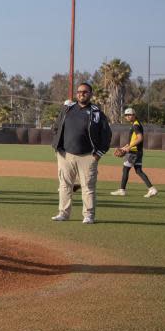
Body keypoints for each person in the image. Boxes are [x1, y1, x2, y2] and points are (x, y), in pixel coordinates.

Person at [50, 82, 112, 224]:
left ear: (90, 94)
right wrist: (57, 147)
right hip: (65, 155)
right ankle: (63, 213)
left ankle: (88, 215)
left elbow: (106, 135)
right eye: (79, 92)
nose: (81, 94)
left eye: (85, 92)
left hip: (87, 156)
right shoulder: (67, 109)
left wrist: (98, 154)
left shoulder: (97, 113)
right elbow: (56, 127)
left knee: (88, 186)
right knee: (65, 185)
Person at [111, 108, 158, 198]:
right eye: (126, 115)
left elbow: (140, 138)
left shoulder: (136, 125)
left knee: (125, 169)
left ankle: (122, 190)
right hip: (137, 152)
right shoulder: (135, 124)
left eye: (130, 115)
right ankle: (152, 189)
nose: (128, 116)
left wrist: (129, 147)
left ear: (134, 115)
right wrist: (124, 147)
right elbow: (132, 140)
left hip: (134, 152)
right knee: (139, 171)